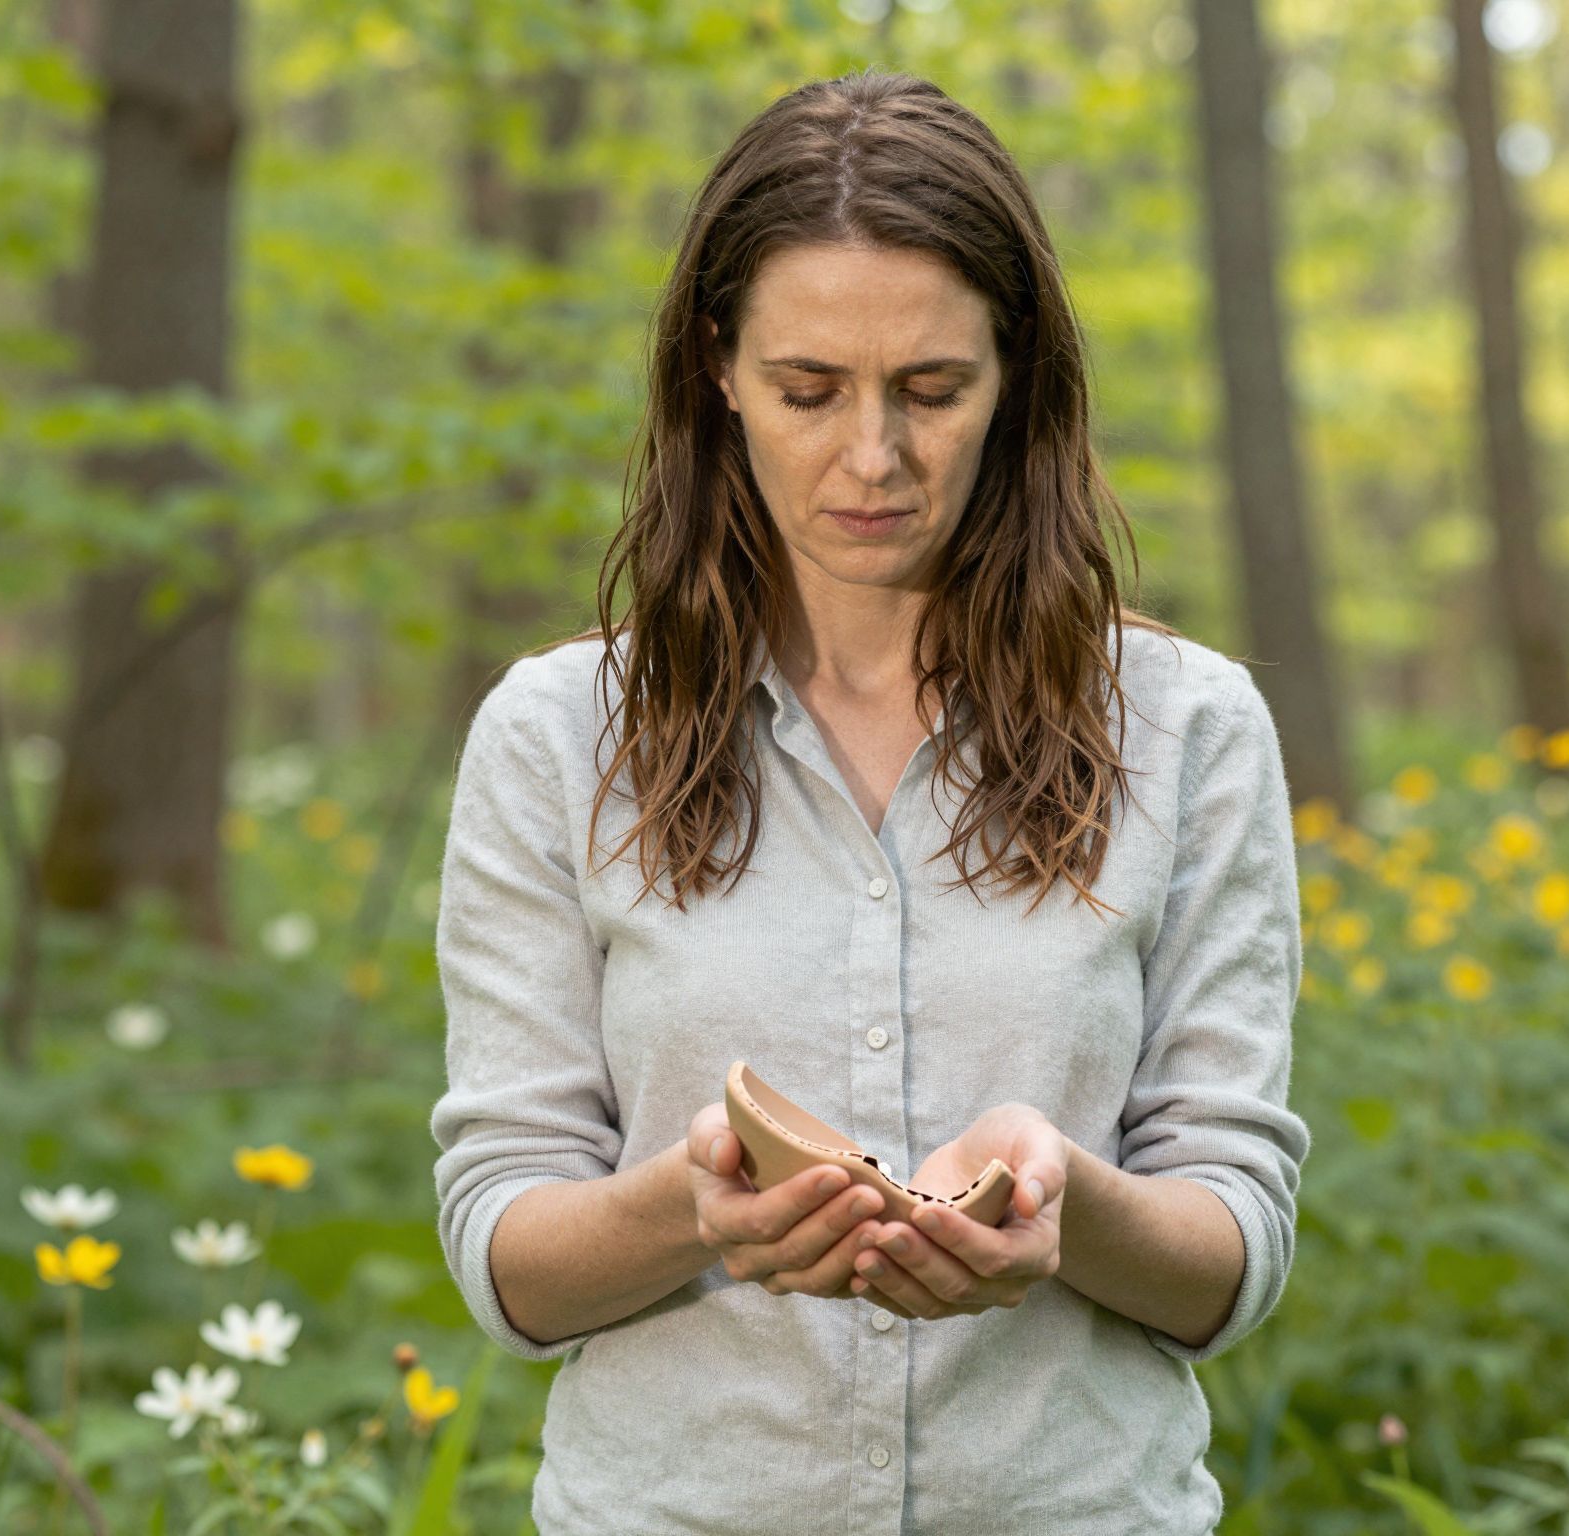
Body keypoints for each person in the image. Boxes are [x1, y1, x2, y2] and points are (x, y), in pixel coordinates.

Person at [430, 65, 1311, 1536]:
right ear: (716, 369)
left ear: (1015, 374)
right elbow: (506, 1251)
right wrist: (693, 1211)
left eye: (932, 389)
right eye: (808, 389)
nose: (874, 458)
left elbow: (1234, 1245)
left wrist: (1065, 1210)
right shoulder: (557, 736)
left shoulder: (1188, 728)